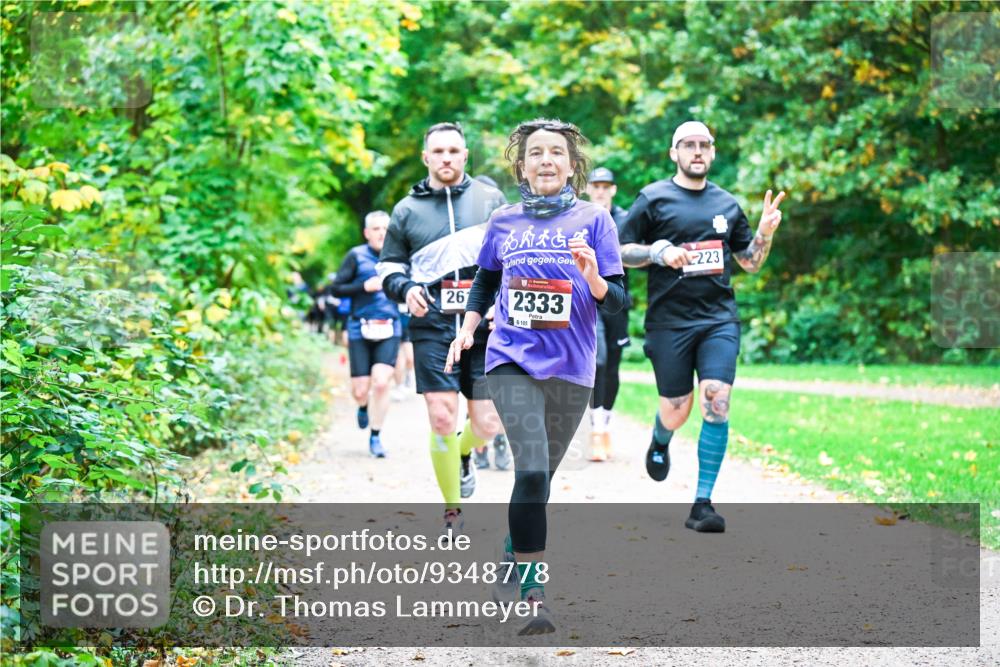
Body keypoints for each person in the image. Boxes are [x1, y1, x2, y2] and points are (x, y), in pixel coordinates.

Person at [446, 118, 626, 635]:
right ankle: (534, 595)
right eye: (535, 153)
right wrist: (469, 328)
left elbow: (617, 302)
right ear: (521, 166)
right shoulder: (504, 221)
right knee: (528, 472)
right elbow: (486, 279)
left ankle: (512, 551)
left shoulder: (595, 221)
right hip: (510, 359)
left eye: (556, 153)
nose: (546, 160)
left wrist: (592, 277)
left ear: (572, 165)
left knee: (540, 479)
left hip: (572, 366)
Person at [619, 120, 785, 533]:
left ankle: (702, 504)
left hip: (717, 321)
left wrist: (764, 233)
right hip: (668, 323)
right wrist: (659, 252)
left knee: (717, 399)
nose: (697, 151)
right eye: (688, 145)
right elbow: (620, 251)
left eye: (704, 145)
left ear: (712, 153)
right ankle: (661, 438)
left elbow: (749, 261)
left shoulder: (727, 204)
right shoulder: (653, 199)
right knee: (677, 411)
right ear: (674, 153)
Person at [377, 122, 507, 534]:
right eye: (439, 151)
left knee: (488, 423)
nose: (447, 158)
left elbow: (513, 258)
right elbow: (389, 267)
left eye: (454, 150)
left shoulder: (491, 200)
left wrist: (501, 302)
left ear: (465, 155)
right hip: (431, 325)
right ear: (426, 157)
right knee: (440, 416)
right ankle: (452, 510)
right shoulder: (406, 210)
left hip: (484, 327)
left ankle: (463, 454)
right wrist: (404, 287)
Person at [330, 211, 401, 458]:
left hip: (390, 326)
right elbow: (336, 289)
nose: (382, 232)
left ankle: (376, 435)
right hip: (360, 327)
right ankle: (362, 406)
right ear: (367, 233)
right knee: (361, 390)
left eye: (386, 228)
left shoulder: (400, 256)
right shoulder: (356, 256)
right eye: (376, 228)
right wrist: (363, 287)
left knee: (381, 383)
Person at [584, 167, 632, 461]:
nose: (601, 191)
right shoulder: (579, 218)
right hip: (588, 302)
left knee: (612, 365)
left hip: (618, 301)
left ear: (613, 189)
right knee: (598, 361)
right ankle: (596, 428)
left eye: (606, 186)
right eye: (596, 186)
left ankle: (606, 422)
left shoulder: (626, 219)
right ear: (588, 188)